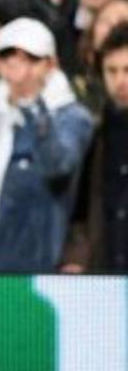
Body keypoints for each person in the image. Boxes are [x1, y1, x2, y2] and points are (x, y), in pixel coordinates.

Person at [0, 17, 94, 273]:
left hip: (34, 264)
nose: (17, 66)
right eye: (7, 57)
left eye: (30, 58)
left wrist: (31, 103)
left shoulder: (72, 117)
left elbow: (57, 166)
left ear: (51, 64)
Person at [63, 23, 128, 272]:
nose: (120, 81)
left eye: (127, 70)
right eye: (112, 71)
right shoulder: (94, 131)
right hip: (104, 270)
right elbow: (78, 207)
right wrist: (76, 257)